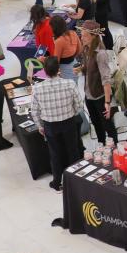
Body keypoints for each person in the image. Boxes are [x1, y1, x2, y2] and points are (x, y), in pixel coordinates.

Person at [30, 56, 84, 189]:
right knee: (73, 151)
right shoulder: (70, 83)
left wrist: (40, 126)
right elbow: (79, 105)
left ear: (45, 71)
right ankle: (76, 180)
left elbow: (34, 111)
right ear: (58, 69)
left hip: (50, 125)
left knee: (55, 154)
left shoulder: (37, 88)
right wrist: (71, 112)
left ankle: (57, 182)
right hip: (68, 123)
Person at [78, 20, 118, 147]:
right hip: (89, 94)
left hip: (100, 97)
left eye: (85, 36)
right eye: (81, 35)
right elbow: (89, 69)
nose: (82, 38)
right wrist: (80, 69)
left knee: (107, 125)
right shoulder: (86, 48)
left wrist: (107, 103)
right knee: (96, 123)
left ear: (94, 36)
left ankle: (114, 147)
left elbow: (106, 81)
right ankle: (101, 144)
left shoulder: (100, 54)